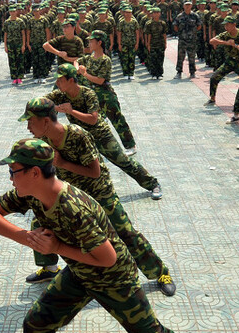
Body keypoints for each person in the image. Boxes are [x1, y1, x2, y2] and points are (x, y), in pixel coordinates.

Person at [0, 139, 231, 333]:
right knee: (37, 323)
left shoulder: (73, 207)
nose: (10, 177)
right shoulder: (32, 193)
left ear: (35, 172)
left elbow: (107, 258)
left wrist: (55, 248)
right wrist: (27, 238)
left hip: (114, 278)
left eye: (14, 171)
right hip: (80, 272)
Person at [19, 98, 176, 295]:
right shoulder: (44, 141)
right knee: (40, 225)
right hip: (72, 195)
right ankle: (49, 269)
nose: (28, 127)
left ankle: (161, 273)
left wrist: (62, 163)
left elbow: (95, 172)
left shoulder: (77, 135)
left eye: (30, 121)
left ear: (45, 121)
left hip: (100, 192)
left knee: (125, 232)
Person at [46, 63, 163, 199]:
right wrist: (54, 107)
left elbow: (93, 119)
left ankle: (153, 184)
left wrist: (71, 111)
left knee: (123, 161)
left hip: (101, 135)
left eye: (60, 80)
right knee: (72, 166)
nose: (57, 83)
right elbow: (41, 102)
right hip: (82, 139)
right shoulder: (61, 95)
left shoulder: (87, 94)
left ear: (71, 80)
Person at [78, 31, 136, 155]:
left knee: (117, 120)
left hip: (105, 95)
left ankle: (130, 145)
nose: (89, 43)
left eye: (91, 41)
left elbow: (100, 80)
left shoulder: (105, 60)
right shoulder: (88, 58)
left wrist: (84, 73)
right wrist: (79, 67)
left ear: (99, 43)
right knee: (93, 123)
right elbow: (76, 61)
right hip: (92, 96)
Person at [173, 0, 201, 78]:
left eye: (189, 5)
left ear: (191, 6)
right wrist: (181, 33)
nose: (188, 6)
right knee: (180, 56)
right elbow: (175, 25)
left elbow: (199, 25)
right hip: (182, 40)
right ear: (183, 6)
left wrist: (193, 32)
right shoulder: (180, 16)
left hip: (192, 40)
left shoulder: (195, 16)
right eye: (186, 5)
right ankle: (179, 72)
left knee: (191, 57)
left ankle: (192, 72)